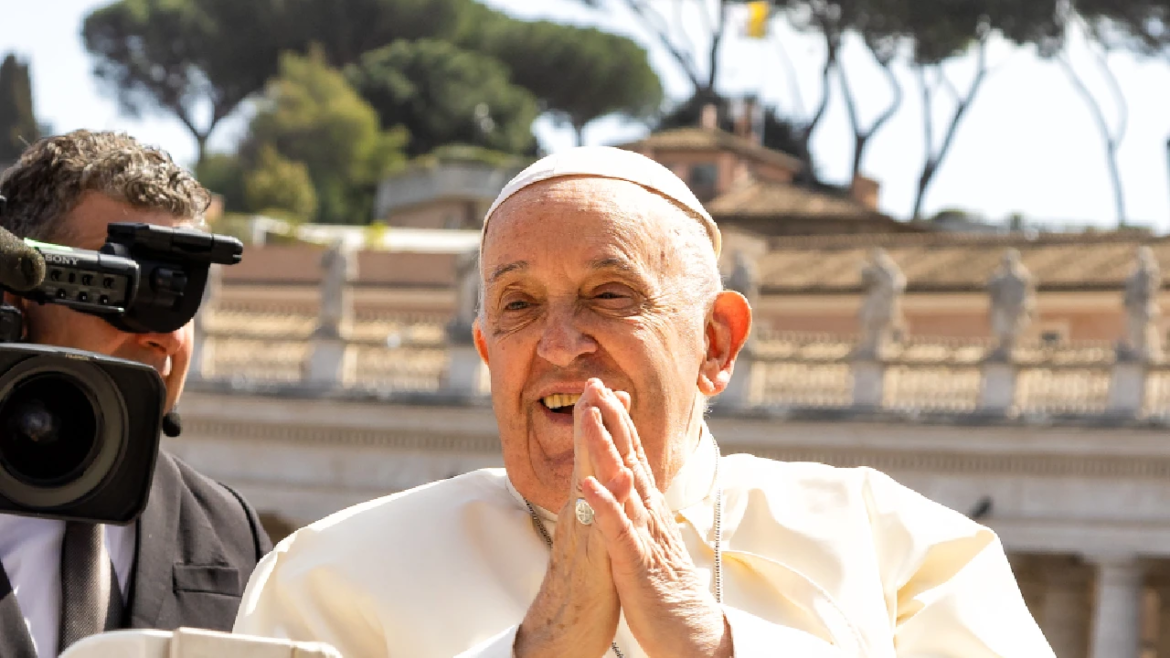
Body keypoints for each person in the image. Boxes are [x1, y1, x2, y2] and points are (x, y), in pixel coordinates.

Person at [233, 146, 1054, 657]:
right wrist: (540, 652)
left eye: (610, 293)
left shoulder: (901, 550)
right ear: (488, 352)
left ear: (717, 345)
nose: (559, 345)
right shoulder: (328, 578)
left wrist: (713, 645)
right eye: (518, 306)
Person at [0, 130, 273, 658]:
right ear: (17, 297)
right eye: (129, 287)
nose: (167, 335)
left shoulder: (230, 533)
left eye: (182, 294)